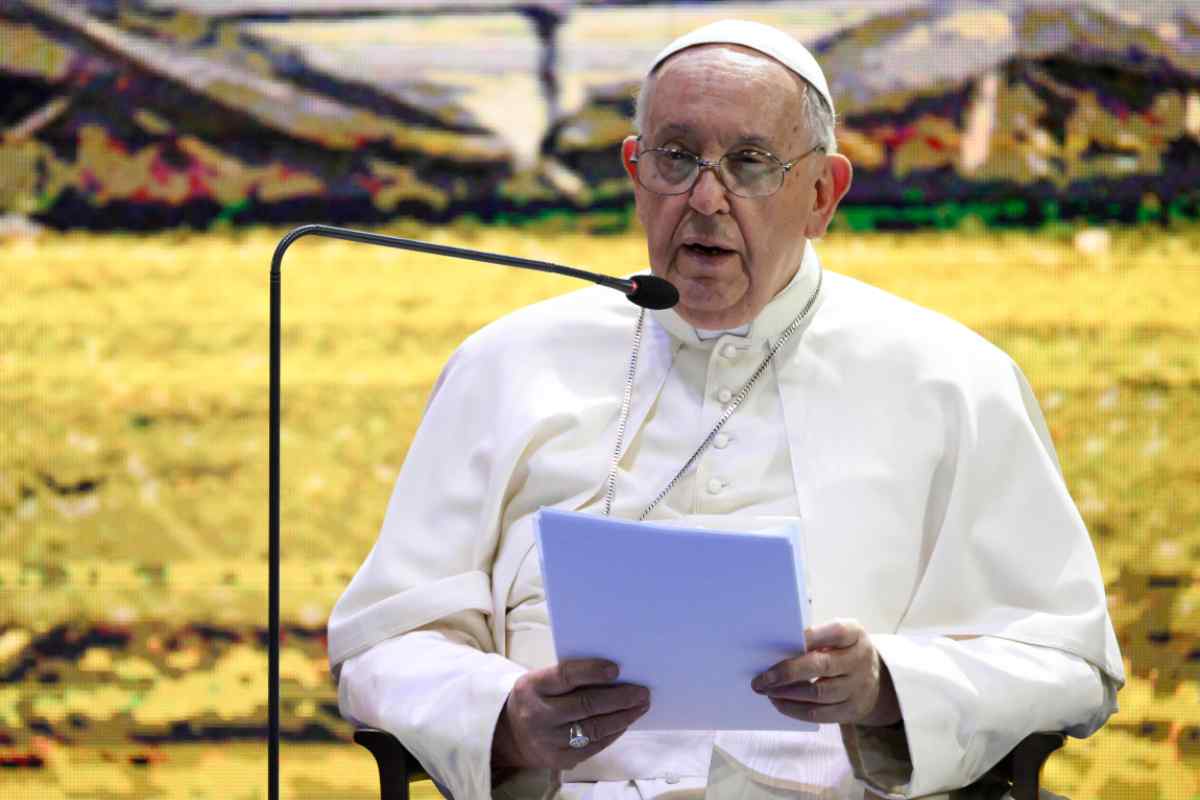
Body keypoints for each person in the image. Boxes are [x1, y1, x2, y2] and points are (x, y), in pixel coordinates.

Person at [328, 19, 1124, 800]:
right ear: (636, 171)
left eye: (750, 163)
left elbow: (1066, 662)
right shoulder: (505, 366)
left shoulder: (952, 380)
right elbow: (385, 642)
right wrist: (506, 719)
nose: (705, 198)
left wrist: (888, 689)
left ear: (822, 194)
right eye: (676, 158)